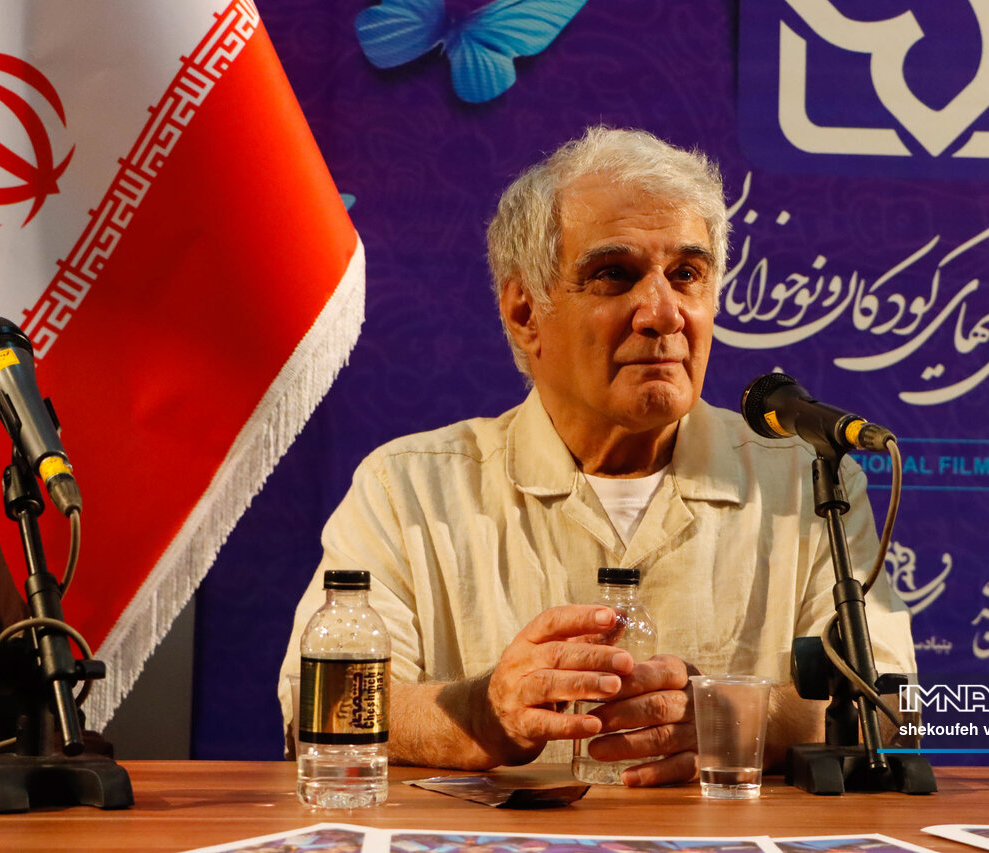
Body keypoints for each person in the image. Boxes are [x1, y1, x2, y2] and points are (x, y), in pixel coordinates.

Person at [278, 127, 916, 786]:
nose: (663, 313)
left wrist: (736, 715)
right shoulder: (409, 488)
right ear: (525, 312)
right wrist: (484, 713)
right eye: (614, 274)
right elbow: (315, 705)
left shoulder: (805, 481)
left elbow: (898, 709)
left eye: (687, 275)